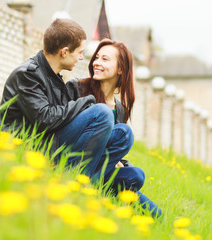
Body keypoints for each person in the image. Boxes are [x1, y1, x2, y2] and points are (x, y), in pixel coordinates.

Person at [0, 19, 124, 181]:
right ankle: (82, 180)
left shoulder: (54, 77)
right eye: (79, 52)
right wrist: (87, 102)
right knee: (102, 112)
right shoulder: (27, 75)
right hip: (26, 146)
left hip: (48, 143)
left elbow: (61, 117)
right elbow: (45, 119)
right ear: (64, 52)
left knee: (125, 135)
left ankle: (91, 177)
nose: (81, 58)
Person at [67, 38, 162, 218]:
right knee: (125, 133)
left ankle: (93, 184)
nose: (97, 63)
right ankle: (84, 188)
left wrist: (119, 161)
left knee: (138, 179)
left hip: (102, 167)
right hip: (75, 160)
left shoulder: (119, 109)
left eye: (105, 59)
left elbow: (114, 148)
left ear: (120, 68)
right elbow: (67, 129)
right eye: (97, 58)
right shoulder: (76, 88)